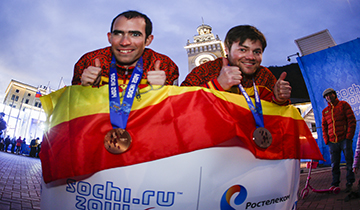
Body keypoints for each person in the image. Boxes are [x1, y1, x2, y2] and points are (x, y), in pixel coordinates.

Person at [181, 25, 291, 105]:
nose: (251, 57)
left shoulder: (264, 76)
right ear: (226, 50)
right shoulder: (205, 71)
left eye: (257, 52)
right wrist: (217, 85)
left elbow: (280, 118)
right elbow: (179, 103)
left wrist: (279, 100)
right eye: (243, 50)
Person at [71, 10, 179, 88]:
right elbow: (71, 111)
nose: (124, 42)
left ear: (148, 40)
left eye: (135, 35)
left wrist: (164, 91)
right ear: (109, 37)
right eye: (118, 34)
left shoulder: (165, 65)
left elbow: (176, 112)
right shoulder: (89, 61)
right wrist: (84, 89)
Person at [322, 88, 356, 192]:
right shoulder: (325, 111)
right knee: (334, 164)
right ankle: (335, 184)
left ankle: (350, 182)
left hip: (345, 140)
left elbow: (351, 120)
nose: (328, 97)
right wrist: (326, 140)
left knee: (349, 162)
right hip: (332, 142)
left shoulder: (343, 105)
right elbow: (324, 127)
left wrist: (348, 136)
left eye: (330, 94)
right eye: (326, 96)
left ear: (334, 94)